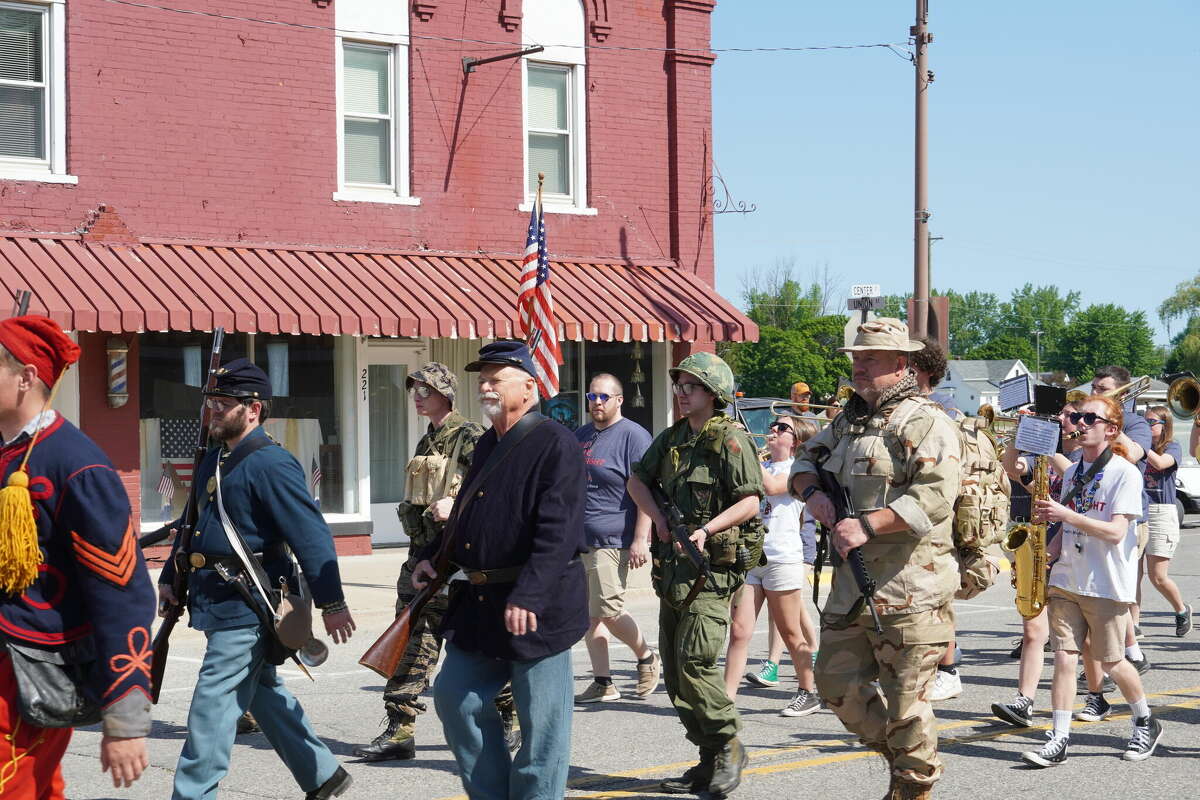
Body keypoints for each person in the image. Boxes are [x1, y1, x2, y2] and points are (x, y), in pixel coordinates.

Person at [159, 358, 357, 800]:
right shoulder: (215, 458)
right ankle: (323, 775)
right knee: (263, 693)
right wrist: (171, 576)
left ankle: (193, 794)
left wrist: (333, 602)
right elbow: (192, 523)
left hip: (248, 603)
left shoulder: (271, 463)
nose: (213, 410)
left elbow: (311, 536)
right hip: (216, 598)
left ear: (253, 409)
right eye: (211, 401)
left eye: (223, 403)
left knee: (211, 709)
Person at [790, 318, 961, 800]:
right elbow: (805, 460)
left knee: (907, 706)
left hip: (911, 592)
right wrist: (813, 495)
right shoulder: (849, 420)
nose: (858, 366)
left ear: (901, 364)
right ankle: (906, 763)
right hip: (854, 588)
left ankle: (913, 786)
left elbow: (935, 496)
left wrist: (867, 526)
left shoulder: (924, 421)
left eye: (870, 358)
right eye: (856, 358)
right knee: (834, 684)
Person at [412, 341, 587, 800]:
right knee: (455, 698)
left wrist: (530, 594)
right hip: (481, 604)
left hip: (537, 608)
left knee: (542, 728)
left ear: (529, 387)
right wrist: (434, 555)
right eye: (483, 379)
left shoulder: (556, 443)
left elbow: (559, 531)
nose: (486, 387)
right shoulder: (489, 442)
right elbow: (468, 513)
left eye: (496, 379)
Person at [0, 316, 155, 797]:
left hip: (27, 667)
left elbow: (122, 594)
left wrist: (125, 719)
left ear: (26, 378)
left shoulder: (79, 465)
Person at [354, 363, 518, 761]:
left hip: (456, 562)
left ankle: (510, 718)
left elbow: (492, 494)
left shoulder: (471, 436)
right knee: (411, 642)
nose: (417, 396)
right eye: (414, 389)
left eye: (425, 390)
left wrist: (457, 508)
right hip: (422, 558)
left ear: (445, 394)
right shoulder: (427, 441)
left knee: (478, 647)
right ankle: (400, 730)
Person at [628, 352, 764, 798]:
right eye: (680, 385)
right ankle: (708, 758)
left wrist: (707, 530)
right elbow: (637, 481)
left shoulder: (731, 440)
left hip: (711, 571)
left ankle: (728, 744)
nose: (682, 393)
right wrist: (658, 520)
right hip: (674, 572)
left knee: (695, 662)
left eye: (691, 386)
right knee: (674, 671)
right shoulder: (672, 439)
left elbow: (751, 501)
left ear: (714, 392)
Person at [1021, 394, 1164, 766]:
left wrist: (1065, 515)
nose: (1079, 423)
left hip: (1106, 582)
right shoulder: (1072, 472)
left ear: (1111, 429)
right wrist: (1044, 556)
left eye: (1089, 418)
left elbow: (1116, 533)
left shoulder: (1125, 473)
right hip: (1068, 578)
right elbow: (1066, 527)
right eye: (1078, 417)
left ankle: (1145, 720)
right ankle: (1059, 737)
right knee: (1064, 658)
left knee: (1112, 661)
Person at [724, 415, 820, 717]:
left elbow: (772, 486)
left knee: (790, 632)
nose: (774, 430)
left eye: (782, 428)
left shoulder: (798, 470)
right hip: (753, 557)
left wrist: (745, 446)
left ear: (796, 441)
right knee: (739, 631)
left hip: (782, 558)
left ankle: (808, 691)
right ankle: (725, 700)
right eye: (774, 426)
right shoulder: (763, 463)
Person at [573, 373, 660, 703]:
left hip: (612, 538)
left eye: (603, 397)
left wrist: (640, 538)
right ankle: (603, 682)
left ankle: (647, 657)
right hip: (581, 537)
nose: (596, 402)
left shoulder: (633, 436)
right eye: (592, 396)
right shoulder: (582, 435)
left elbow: (645, 490)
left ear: (619, 400)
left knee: (609, 611)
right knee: (589, 615)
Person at [910, 337, 965, 703]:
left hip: (937, 517)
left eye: (909, 367)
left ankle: (948, 670)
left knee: (939, 599)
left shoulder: (943, 408)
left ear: (925, 371)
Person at [1141, 406, 1192, 636]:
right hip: (1137, 510)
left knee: (1157, 576)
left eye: (1151, 422)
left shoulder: (1172, 447)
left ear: (1165, 425)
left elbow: (1161, 464)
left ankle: (1181, 610)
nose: (1146, 426)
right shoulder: (1139, 447)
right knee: (1133, 575)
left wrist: (1139, 446)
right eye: (1144, 421)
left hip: (1161, 511)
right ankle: (1133, 626)